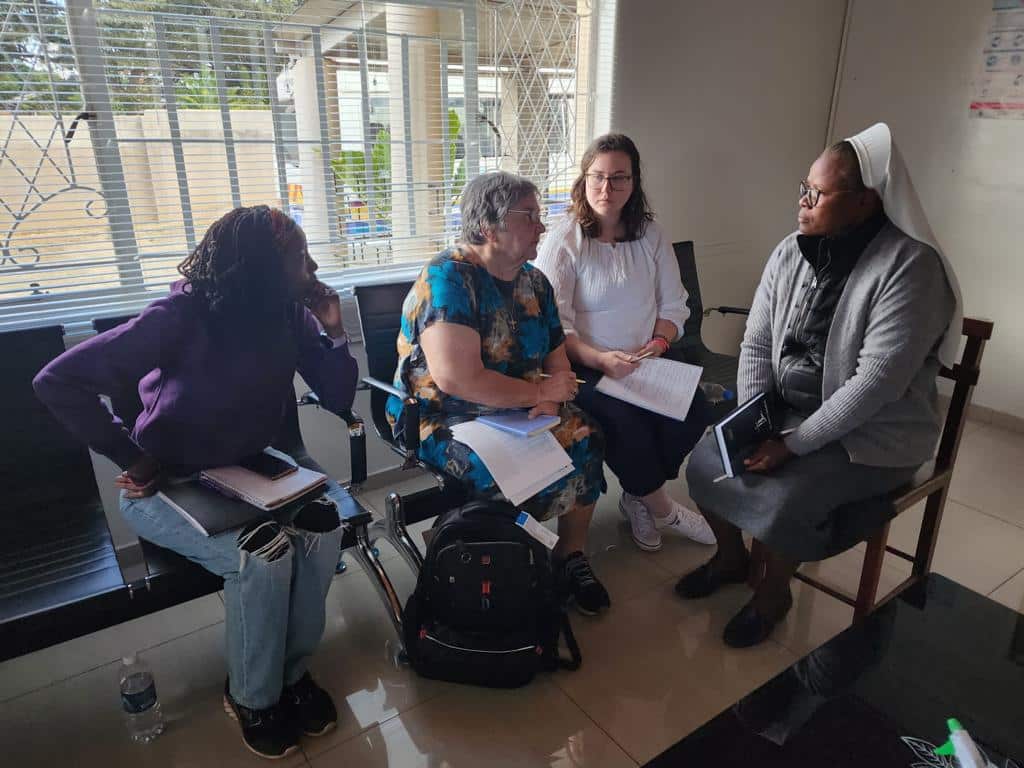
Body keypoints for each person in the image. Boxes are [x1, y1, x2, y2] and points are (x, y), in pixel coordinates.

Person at [33, 206, 359, 759]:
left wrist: (333, 330)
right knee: (264, 555)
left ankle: (292, 674)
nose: (312, 266)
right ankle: (254, 697)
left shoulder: (286, 314)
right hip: (167, 483)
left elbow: (337, 396)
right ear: (258, 269)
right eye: (298, 258)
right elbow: (57, 380)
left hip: (250, 469)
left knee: (323, 528)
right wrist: (130, 456)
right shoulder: (180, 315)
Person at [679, 123, 961, 648]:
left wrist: (793, 444)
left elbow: (875, 384)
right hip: (786, 412)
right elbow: (757, 341)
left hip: (873, 434)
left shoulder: (911, 269)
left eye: (817, 193)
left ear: (863, 203)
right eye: (802, 188)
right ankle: (732, 557)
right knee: (705, 459)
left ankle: (773, 594)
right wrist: (756, 417)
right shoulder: (792, 250)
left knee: (788, 499)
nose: (803, 202)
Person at [388, 171, 609, 615]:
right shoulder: (447, 280)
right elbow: (457, 380)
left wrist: (550, 396)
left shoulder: (534, 282)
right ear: (489, 227)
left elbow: (556, 359)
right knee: (492, 471)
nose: (542, 227)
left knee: (585, 435)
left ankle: (569, 555)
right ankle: (474, 556)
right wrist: (538, 394)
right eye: (529, 216)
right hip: (441, 416)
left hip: (517, 409)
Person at [535, 133, 714, 553]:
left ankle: (637, 494)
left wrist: (657, 344)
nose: (606, 188)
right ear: (583, 180)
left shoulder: (651, 235)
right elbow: (551, 327)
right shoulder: (565, 240)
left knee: (695, 412)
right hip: (582, 367)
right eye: (597, 177)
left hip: (645, 360)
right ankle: (662, 507)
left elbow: (675, 306)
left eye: (619, 178)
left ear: (634, 183)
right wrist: (600, 359)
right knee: (625, 424)